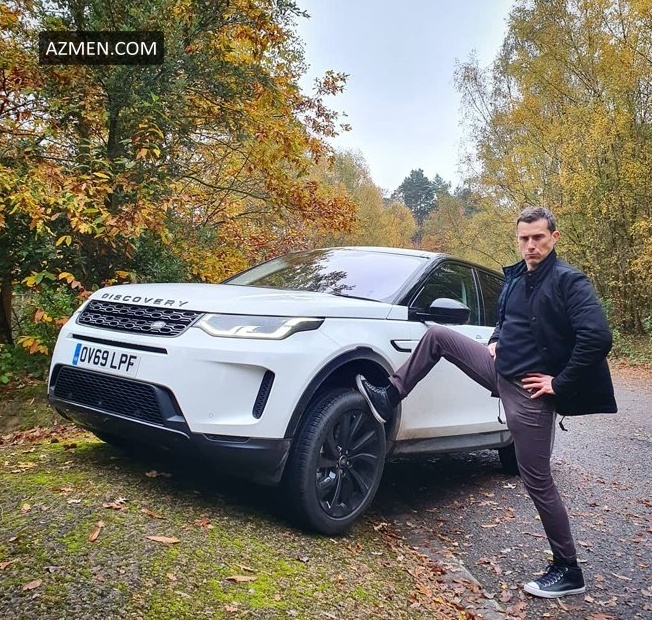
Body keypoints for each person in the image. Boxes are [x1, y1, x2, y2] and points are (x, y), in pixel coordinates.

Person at [356, 206, 617, 599]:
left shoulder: (569, 281)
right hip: (499, 370)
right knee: (438, 336)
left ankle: (568, 569)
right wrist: (495, 340)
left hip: (529, 392)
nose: (531, 245)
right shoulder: (516, 276)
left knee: (537, 480)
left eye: (538, 237)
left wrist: (560, 384)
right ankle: (388, 397)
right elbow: (507, 318)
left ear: (554, 237)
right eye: (524, 238)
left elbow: (597, 338)